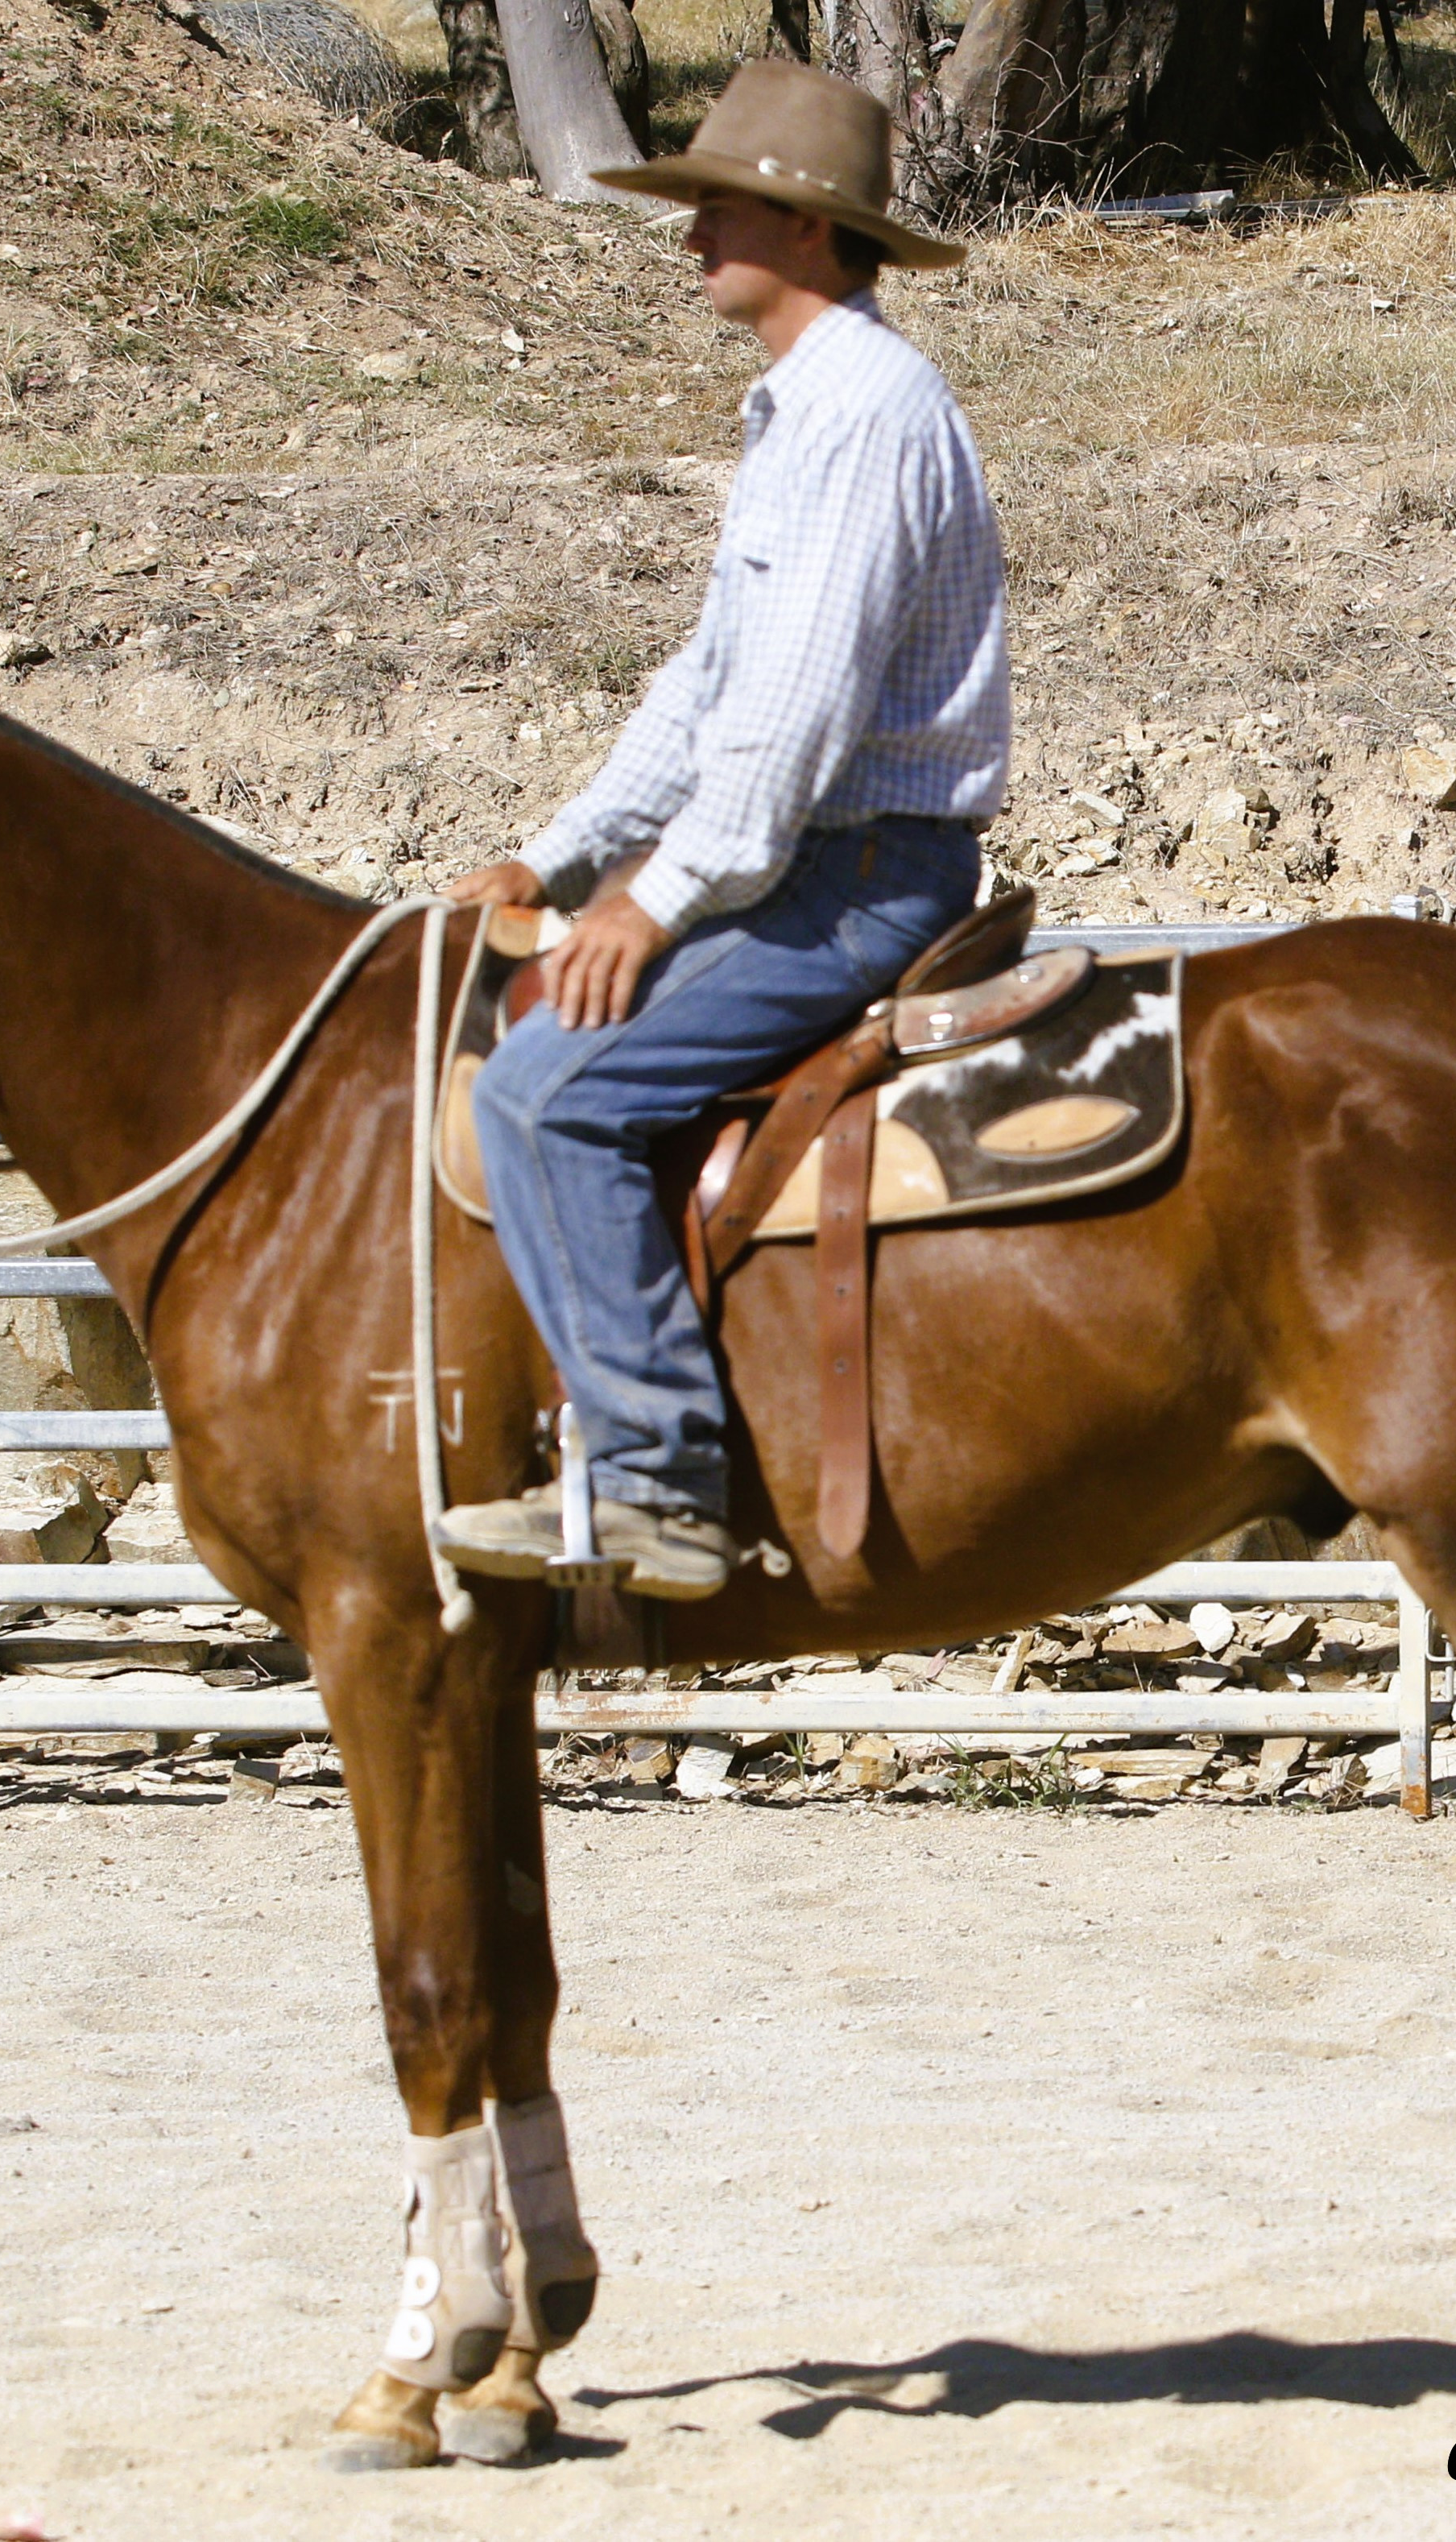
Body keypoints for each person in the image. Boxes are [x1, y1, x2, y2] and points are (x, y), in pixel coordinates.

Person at [432, 59, 1011, 1601]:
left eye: (720, 207)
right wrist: (559, 859)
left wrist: (653, 899)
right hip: (823, 854)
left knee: (542, 1098)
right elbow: (704, 689)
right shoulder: (806, 408)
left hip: (855, 873)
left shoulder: (862, 414)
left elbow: (795, 715)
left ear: (810, 230)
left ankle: (657, 1482)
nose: (689, 234)